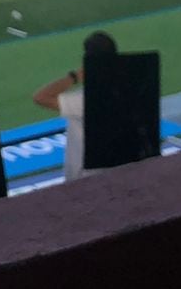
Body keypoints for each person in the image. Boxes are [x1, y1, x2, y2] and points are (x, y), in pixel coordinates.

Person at [33, 31, 118, 182]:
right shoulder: (127, 91)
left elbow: (41, 97)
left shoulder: (84, 100)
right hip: (117, 170)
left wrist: (74, 77)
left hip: (85, 177)